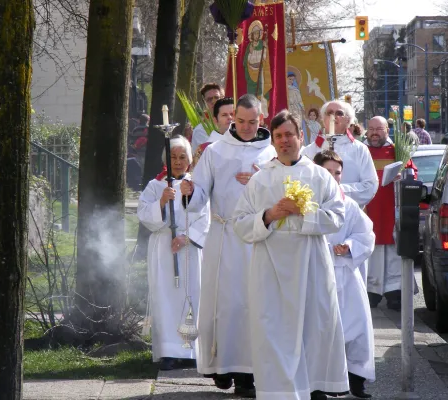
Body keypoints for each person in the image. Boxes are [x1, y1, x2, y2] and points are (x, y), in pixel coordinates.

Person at [233, 110, 349, 400]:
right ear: (272, 140)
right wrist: (269, 215)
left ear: (301, 137)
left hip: (310, 265)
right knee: (273, 332)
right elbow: (240, 224)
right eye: (279, 136)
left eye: (289, 134)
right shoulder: (259, 181)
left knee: (314, 328)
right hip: (270, 268)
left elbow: (336, 218)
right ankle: (278, 393)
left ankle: (314, 388)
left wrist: (304, 211)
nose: (285, 141)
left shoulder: (320, 176)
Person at [180, 94, 276, 398]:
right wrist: (188, 191)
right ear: (233, 118)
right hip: (224, 236)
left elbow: (285, 192)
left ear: (262, 119)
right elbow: (199, 198)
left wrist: (263, 181)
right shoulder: (216, 151)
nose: (247, 128)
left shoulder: (272, 152)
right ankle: (220, 366)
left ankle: (248, 374)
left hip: (259, 239)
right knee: (226, 306)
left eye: (253, 121)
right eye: (241, 121)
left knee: (254, 305)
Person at [137, 136, 209, 371]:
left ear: (189, 161)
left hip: (189, 251)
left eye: (182, 157)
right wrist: (160, 202)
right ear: (165, 160)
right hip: (163, 251)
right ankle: (168, 351)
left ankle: (189, 349)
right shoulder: (156, 186)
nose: (178, 162)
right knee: (165, 298)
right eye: (173, 157)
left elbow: (205, 217)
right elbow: (144, 216)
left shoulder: (195, 186)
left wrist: (186, 237)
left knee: (191, 296)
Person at [313, 150, 376, 399]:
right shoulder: (307, 203)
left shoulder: (348, 204)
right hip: (317, 275)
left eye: (337, 172)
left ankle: (356, 379)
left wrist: (349, 246)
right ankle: (318, 383)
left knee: (356, 327)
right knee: (320, 330)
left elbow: (365, 234)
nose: (333, 177)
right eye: (327, 171)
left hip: (346, 273)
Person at [364, 116, 417, 311]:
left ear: (387, 130)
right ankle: (371, 291)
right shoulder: (361, 151)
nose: (374, 133)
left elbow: (412, 174)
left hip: (391, 207)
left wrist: (401, 176)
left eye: (379, 128)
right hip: (368, 209)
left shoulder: (397, 152)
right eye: (371, 129)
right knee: (371, 252)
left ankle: (395, 292)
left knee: (393, 253)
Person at [301, 100, 379, 207]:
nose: (334, 116)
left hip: (349, 214)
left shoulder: (360, 149)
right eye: (329, 113)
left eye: (339, 113)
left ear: (348, 120)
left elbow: (370, 186)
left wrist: (338, 190)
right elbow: (302, 185)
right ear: (323, 119)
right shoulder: (309, 151)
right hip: (318, 216)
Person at [192, 97, 235, 168]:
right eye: (224, 115)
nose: (230, 117)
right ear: (215, 120)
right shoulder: (204, 149)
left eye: (232, 114)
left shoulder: (246, 144)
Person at [191, 83, 224, 152]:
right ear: (204, 103)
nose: (213, 101)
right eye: (209, 99)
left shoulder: (231, 124)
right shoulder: (200, 130)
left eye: (217, 97)